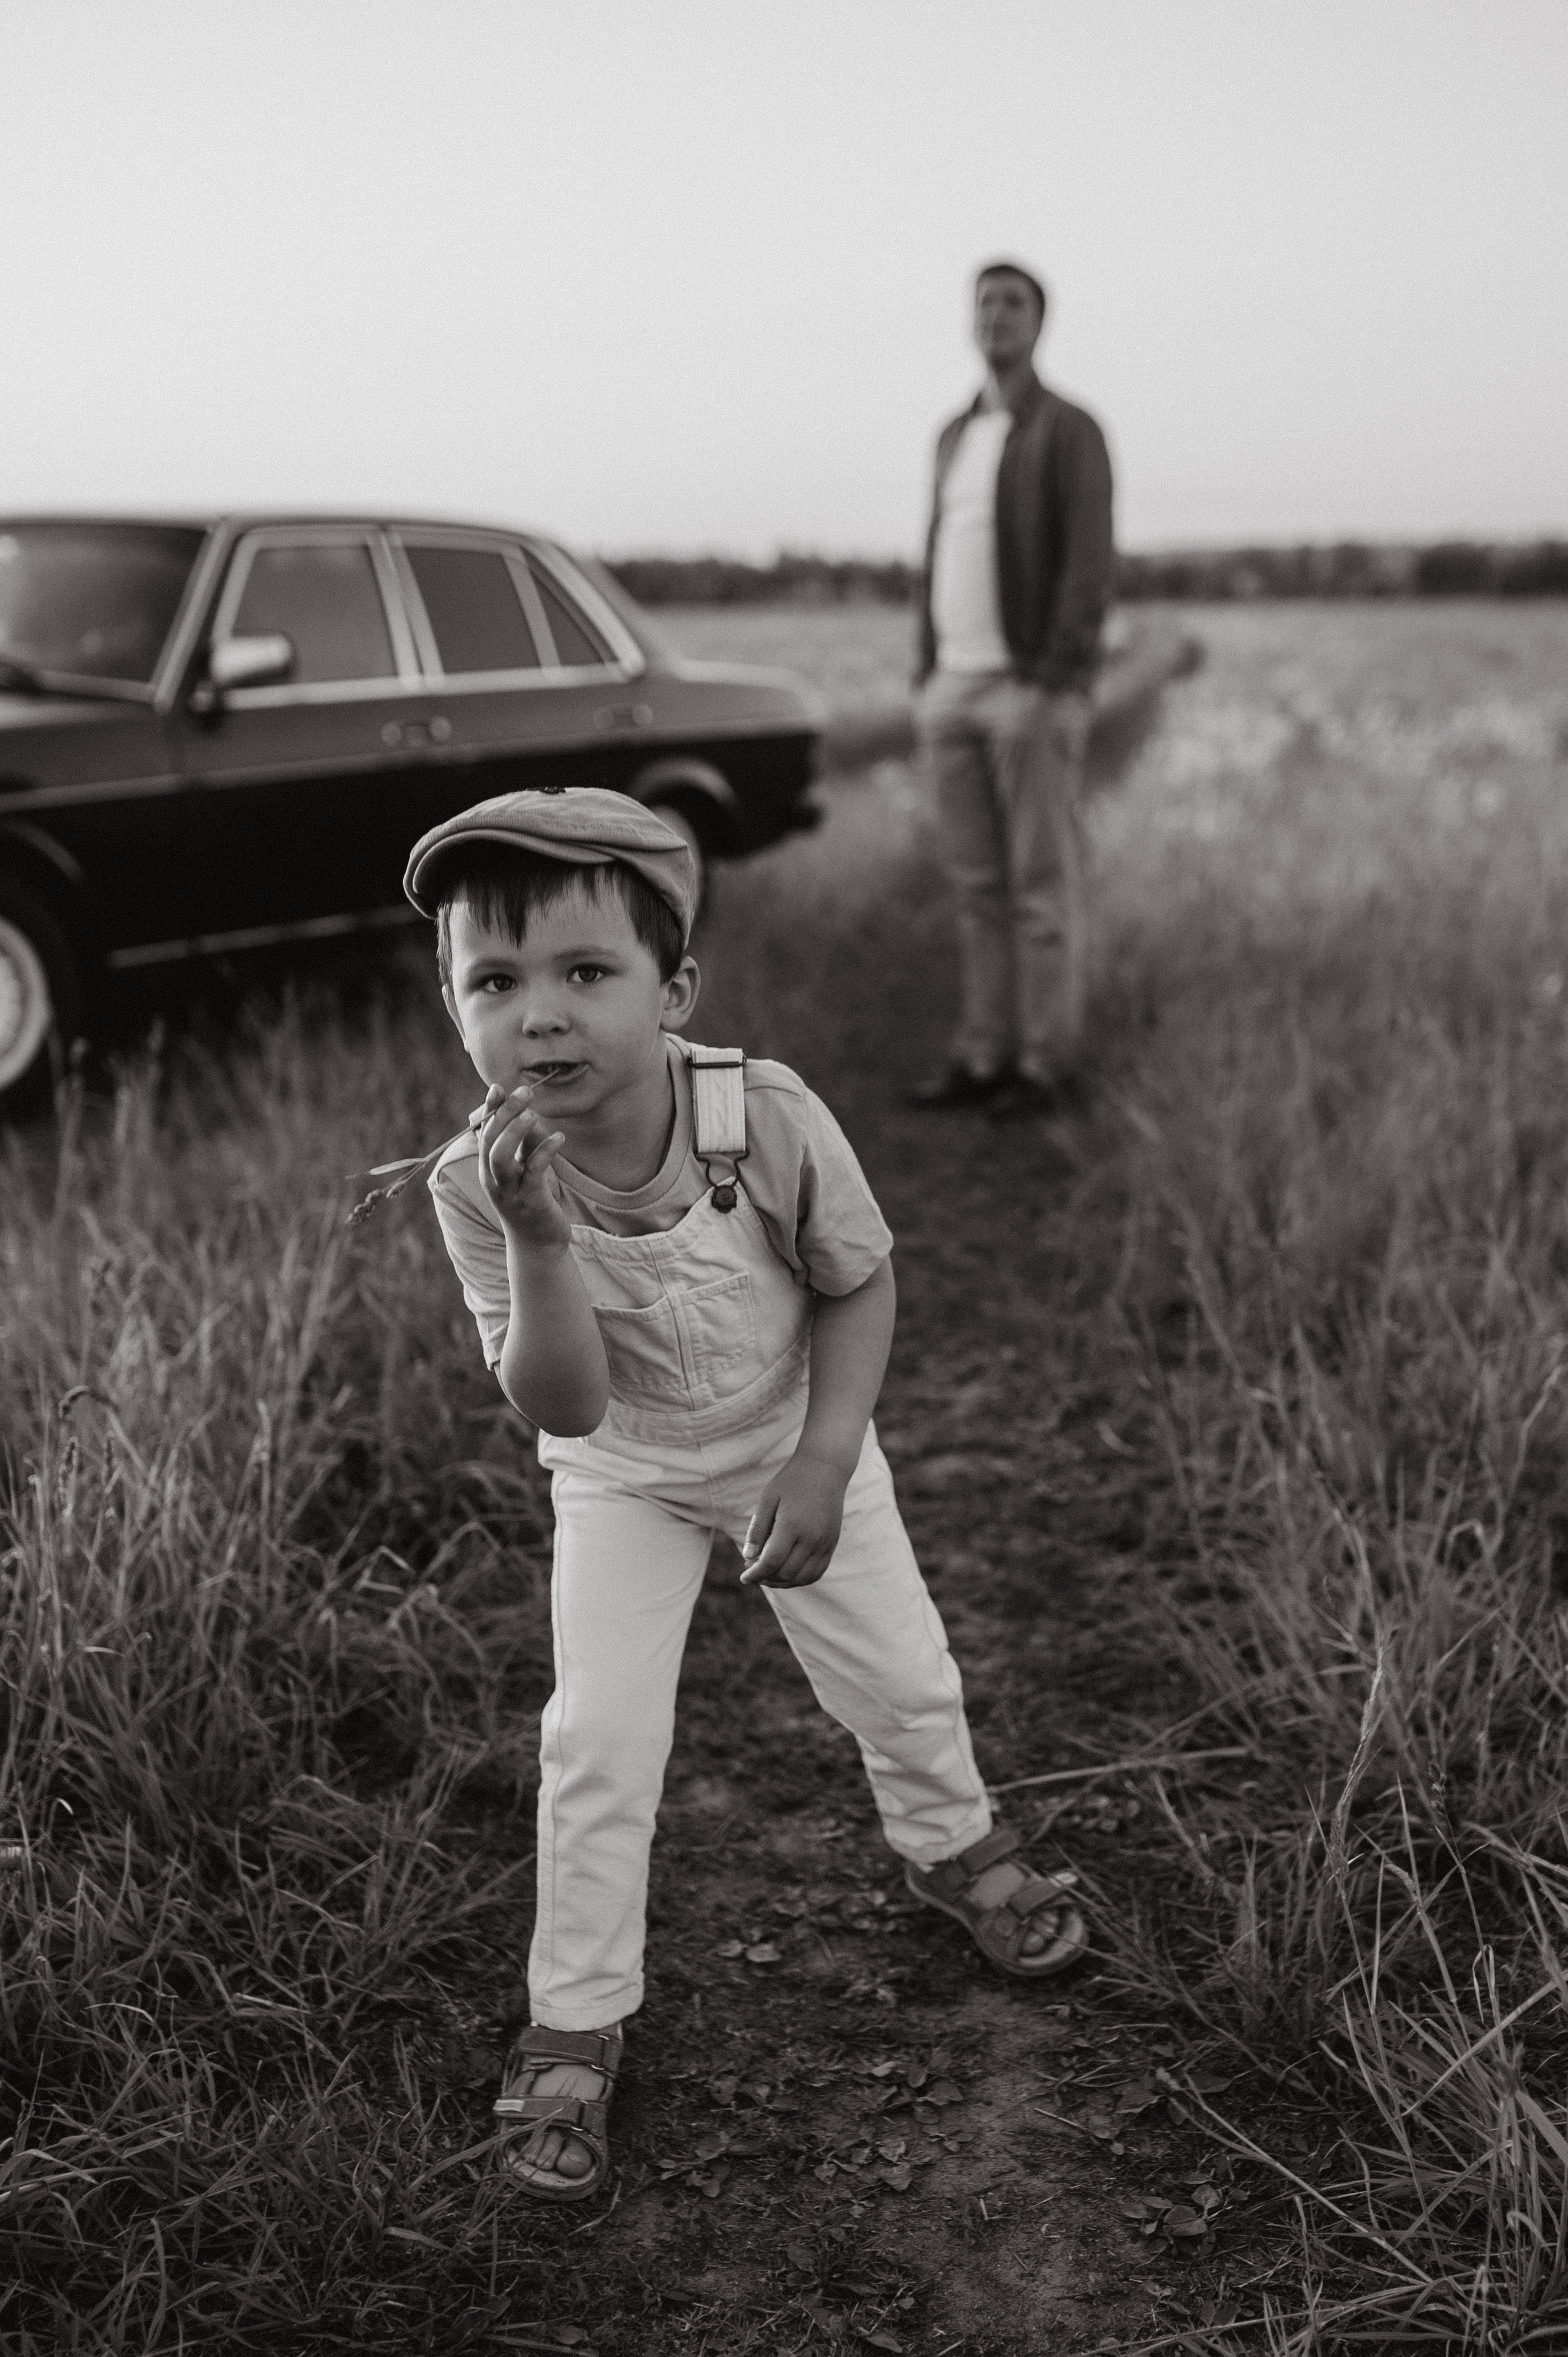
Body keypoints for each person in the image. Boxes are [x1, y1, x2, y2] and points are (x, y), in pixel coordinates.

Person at [404, 785, 1087, 2203]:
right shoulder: (478, 1186)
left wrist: (825, 1457)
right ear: (451, 1003)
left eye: (585, 972)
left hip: (789, 1431)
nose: (539, 1015)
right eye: (495, 981)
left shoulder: (756, 1115)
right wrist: (540, 1240)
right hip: (623, 1476)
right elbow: (562, 1405)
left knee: (899, 1675)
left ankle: (949, 1843)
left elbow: (857, 1281)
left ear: (672, 990)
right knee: (597, 1739)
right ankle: (576, 2013)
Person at [911, 259, 1116, 1122]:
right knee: (976, 892)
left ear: (1039, 322)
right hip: (952, 690)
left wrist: (1047, 682)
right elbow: (936, 555)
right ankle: (985, 1055)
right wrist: (925, 675)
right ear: (972, 321)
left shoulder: (1070, 429)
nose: (996, 315)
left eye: (1014, 303)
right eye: (985, 302)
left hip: (1026, 692)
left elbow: (1089, 565)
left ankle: (1047, 1067)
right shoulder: (954, 435)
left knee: (1041, 888)